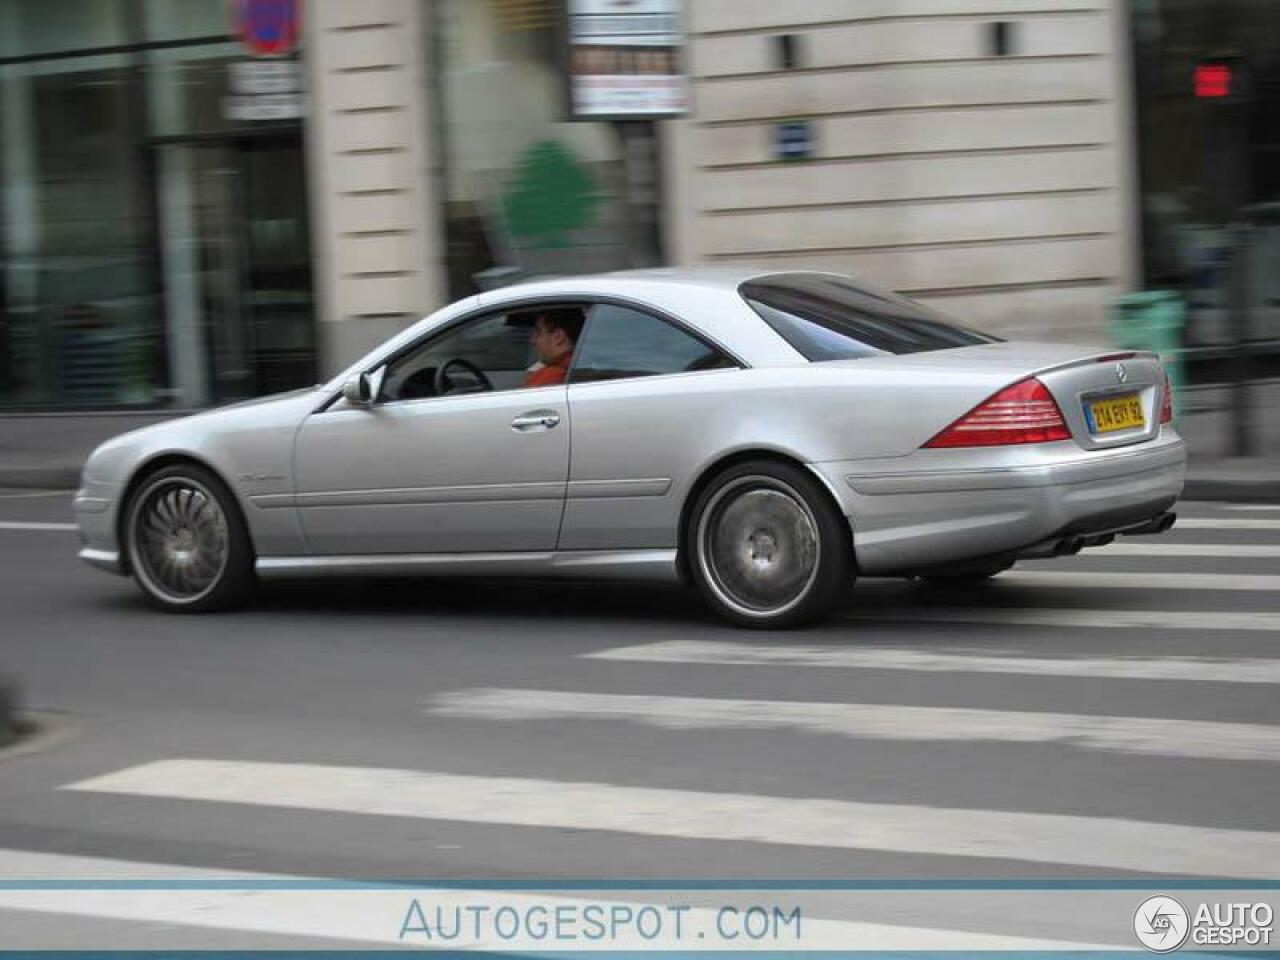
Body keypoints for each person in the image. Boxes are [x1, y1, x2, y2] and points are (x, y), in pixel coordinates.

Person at [524, 309, 583, 388]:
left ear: (558, 336)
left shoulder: (551, 375)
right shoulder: (583, 365)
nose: (533, 340)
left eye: (538, 333)